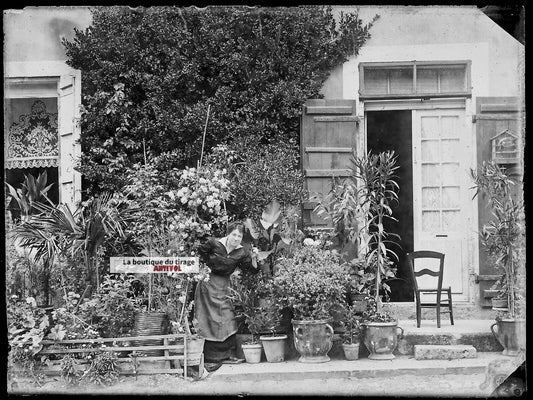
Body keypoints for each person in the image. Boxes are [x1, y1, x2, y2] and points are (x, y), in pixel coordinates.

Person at [194, 221, 259, 371]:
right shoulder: (214, 243)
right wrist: (202, 270)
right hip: (207, 284)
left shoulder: (242, 252)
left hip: (224, 286)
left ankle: (228, 354)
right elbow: (199, 252)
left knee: (227, 317)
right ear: (228, 234)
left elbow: (251, 269)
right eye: (234, 235)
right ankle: (208, 356)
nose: (236, 238)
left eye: (239, 236)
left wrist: (254, 257)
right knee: (207, 318)